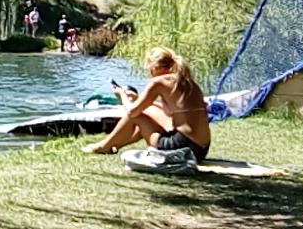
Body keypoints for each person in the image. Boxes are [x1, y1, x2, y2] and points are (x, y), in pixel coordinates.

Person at [82, 47, 212, 160]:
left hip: (183, 147)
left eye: (149, 69)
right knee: (145, 115)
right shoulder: (187, 82)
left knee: (136, 116)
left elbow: (132, 112)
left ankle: (104, 146)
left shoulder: (159, 82)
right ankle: (113, 145)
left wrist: (122, 95)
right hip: (200, 150)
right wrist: (140, 99)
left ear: (156, 68)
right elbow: (170, 113)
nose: (149, 73)